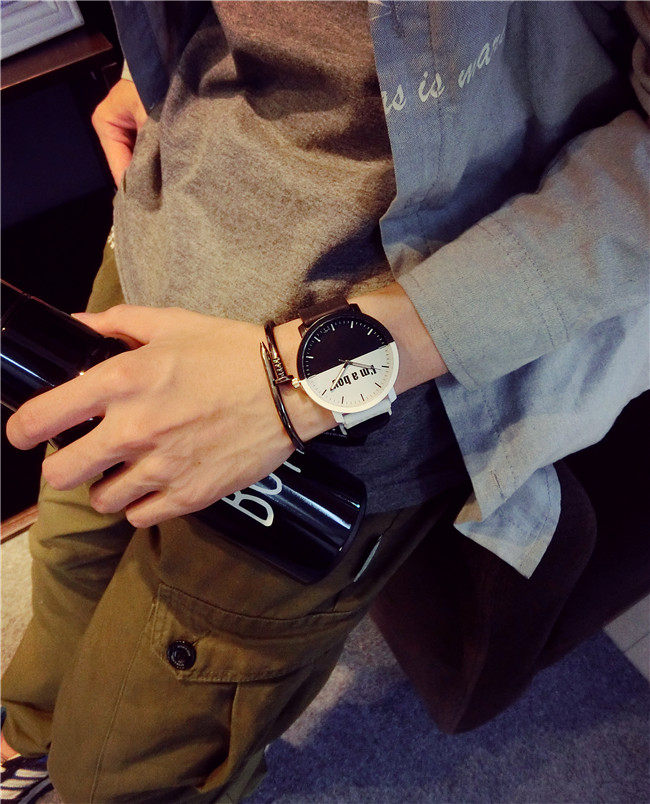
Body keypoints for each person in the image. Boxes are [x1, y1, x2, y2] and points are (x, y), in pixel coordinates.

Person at [2, 1, 648, 801]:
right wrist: (165, 53)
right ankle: (26, 738)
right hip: (164, 225)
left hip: (357, 384)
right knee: (70, 544)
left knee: (128, 764)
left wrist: (290, 386)